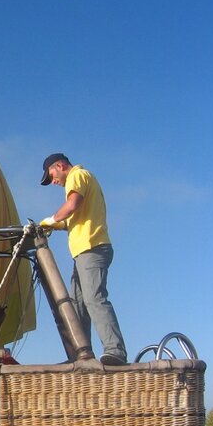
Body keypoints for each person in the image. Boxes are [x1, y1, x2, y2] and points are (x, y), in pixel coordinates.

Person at [39, 153, 128, 365]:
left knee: (93, 299)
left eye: (51, 176)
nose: (53, 182)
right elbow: (73, 218)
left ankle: (115, 351)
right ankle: (82, 356)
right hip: (82, 253)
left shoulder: (77, 175)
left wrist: (51, 219)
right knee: (77, 305)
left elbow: (72, 206)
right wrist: (51, 225)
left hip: (92, 249)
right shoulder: (80, 180)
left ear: (60, 166)